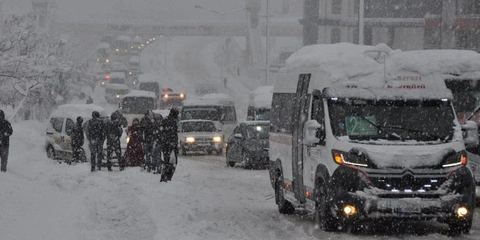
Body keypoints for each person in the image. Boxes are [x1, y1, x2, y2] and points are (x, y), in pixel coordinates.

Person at [160, 108, 179, 182]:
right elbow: (173, 135)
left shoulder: (165, 120)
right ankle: (168, 176)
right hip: (170, 145)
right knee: (173, 162)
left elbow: (162, 132)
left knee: (166, 161)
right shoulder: (173, 122)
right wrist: (174, 145)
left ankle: (164, 175)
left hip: (165, 144)